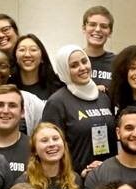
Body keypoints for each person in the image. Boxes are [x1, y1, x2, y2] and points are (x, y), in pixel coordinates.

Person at [41, 44, 116, 176]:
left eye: (84, 61)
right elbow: (51, 148)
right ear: (64, 70)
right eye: (74, 65)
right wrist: (80, 172)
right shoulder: (57, 102)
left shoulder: (104, 97)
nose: (82, 68)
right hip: (75, 178)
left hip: (108, 175)